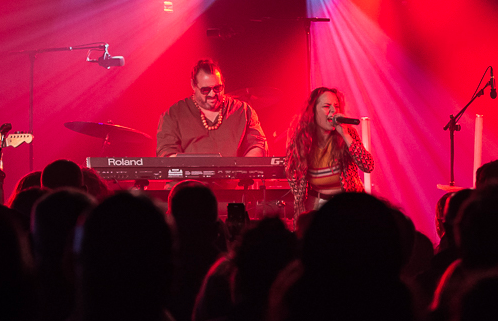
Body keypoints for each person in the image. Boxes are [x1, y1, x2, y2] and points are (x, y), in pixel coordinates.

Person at [284, 87, 374, 217]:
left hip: (347, 205)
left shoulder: (347, 133)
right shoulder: (301, 137)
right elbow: (291, 170)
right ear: (313, 111)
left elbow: (368, 165)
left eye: (336, 106)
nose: (333, 111)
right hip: (316, 205)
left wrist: (345, 135)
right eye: (327, 106)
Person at [156, 59, 267, 157]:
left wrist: (242, 172)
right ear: (193, 85)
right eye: (205, 90)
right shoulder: (173, 114)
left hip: (233, 180)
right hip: (189, 180)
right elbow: (166, 152)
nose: (212, 94)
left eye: (217, 88)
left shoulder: (243, 111)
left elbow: (258, 145)